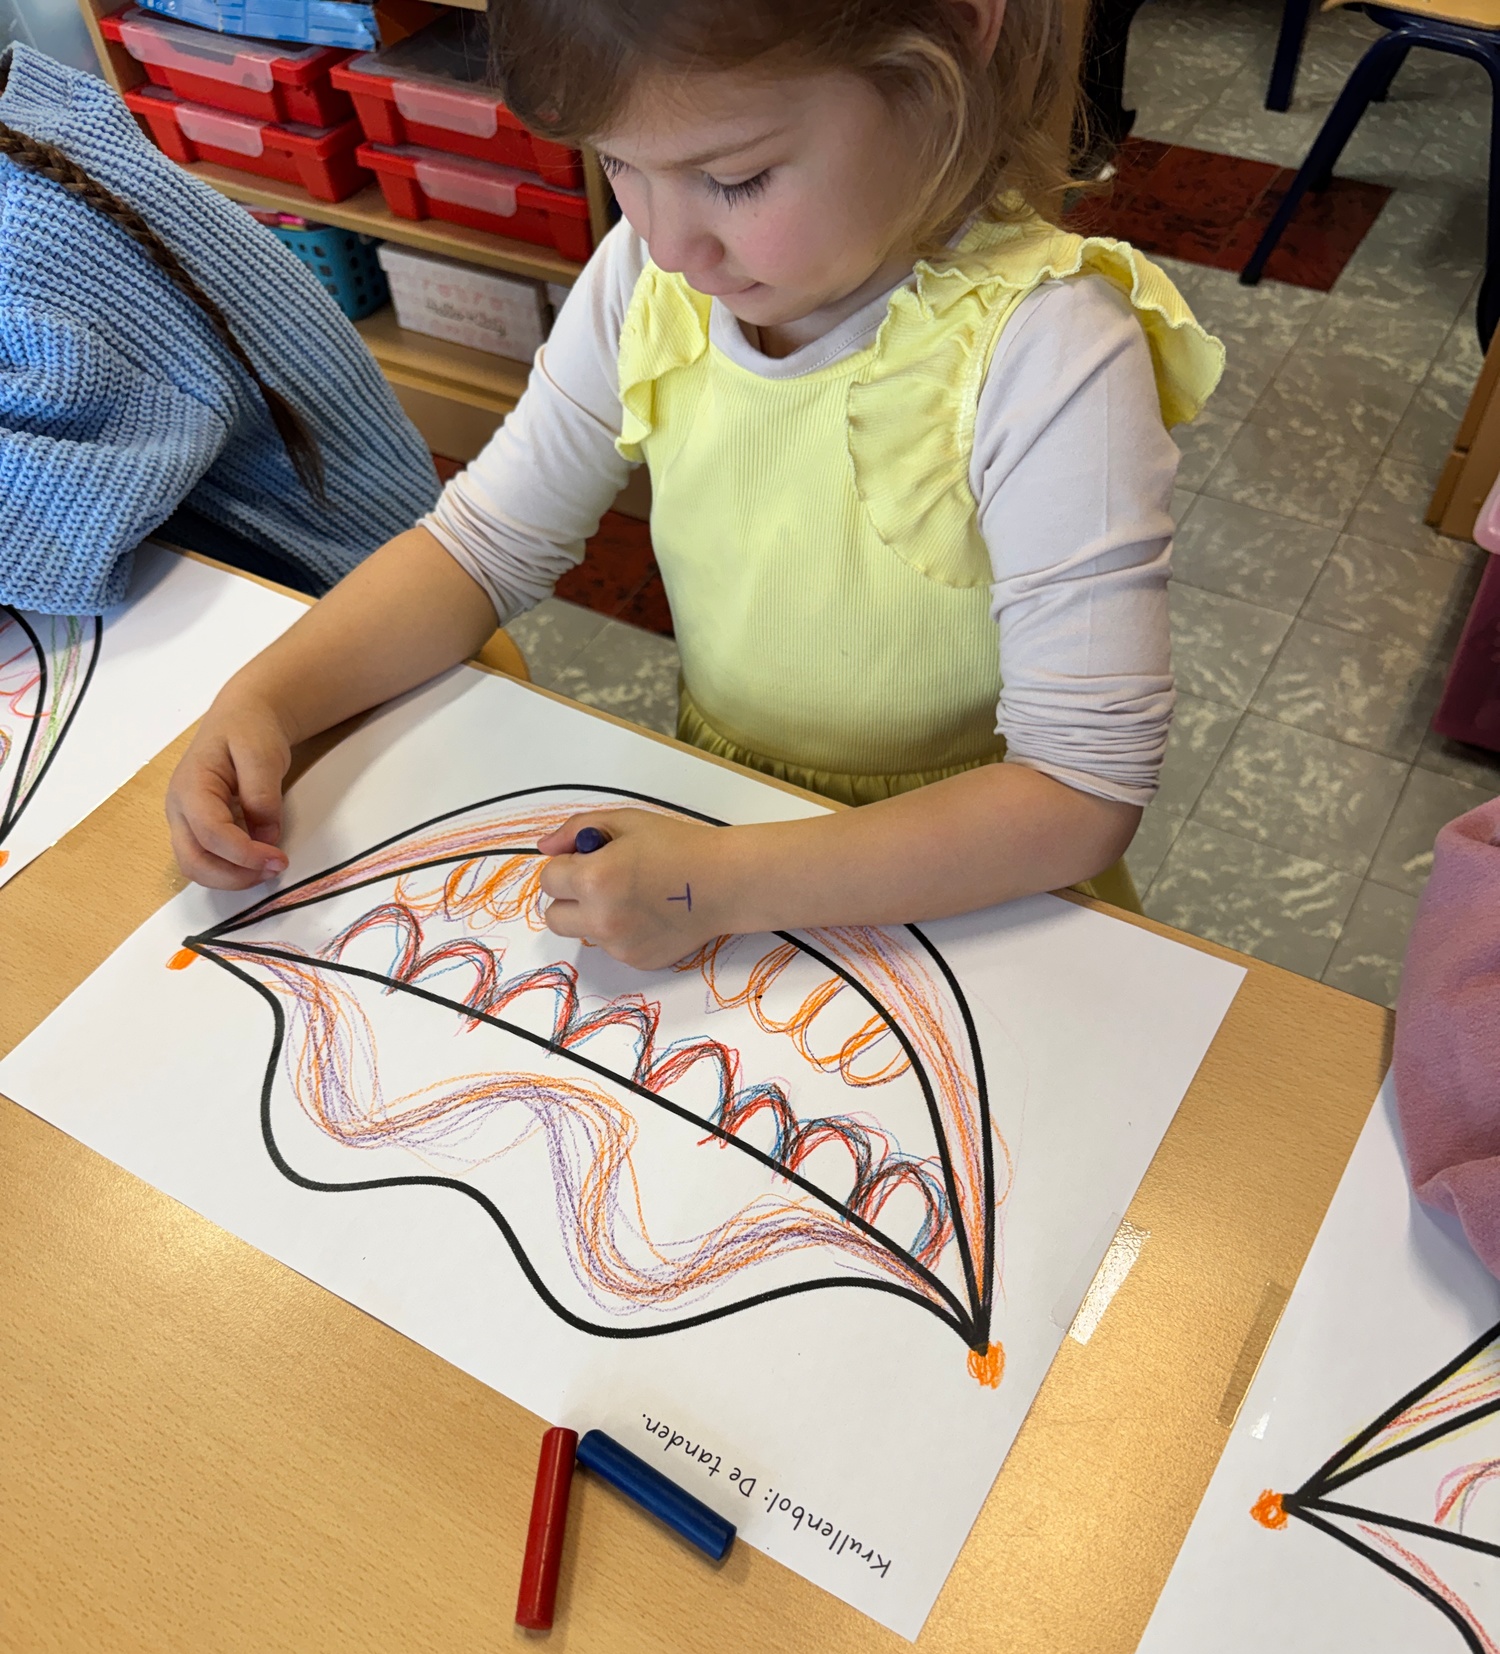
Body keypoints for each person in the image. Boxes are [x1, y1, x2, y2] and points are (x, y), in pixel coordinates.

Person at [166, 0, 1223, 966]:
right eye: (619, 163)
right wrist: (267, 700)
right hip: (723, 837)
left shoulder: (1048, 350)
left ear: (949, 37)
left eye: (736, 179)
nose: (672, 244)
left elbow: (1079, 791)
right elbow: (478, 550)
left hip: (969, 897)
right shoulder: (646, 276)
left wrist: (713, 883)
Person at [0, 43, 439, 610]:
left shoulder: (30, 248)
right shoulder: (48, 108)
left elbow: (55, 537)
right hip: (380, 499)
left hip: (346, 567)